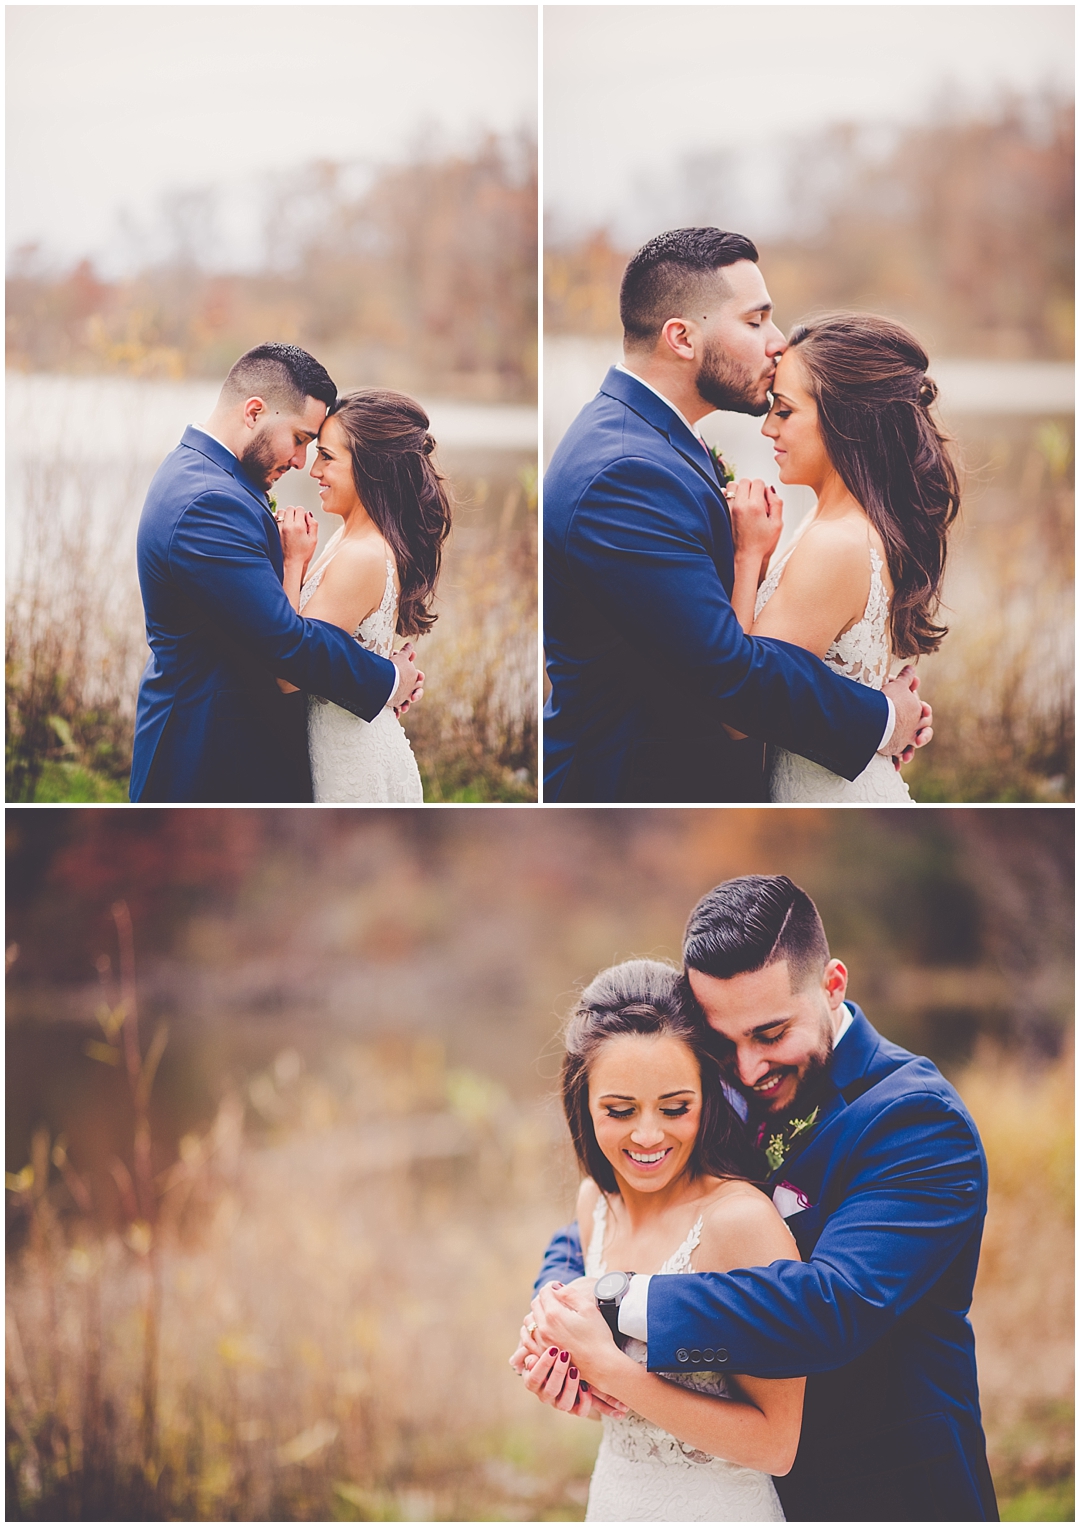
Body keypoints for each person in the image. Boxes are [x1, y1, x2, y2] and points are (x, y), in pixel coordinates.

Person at [515, 875, 998, 1523]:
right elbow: (619, 1207)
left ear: (832, 985)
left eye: (770, 1033)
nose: (746, 1069)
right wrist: (556, 1313)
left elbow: (831, 1307)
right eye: (723, 1040)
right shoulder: (721, 1089)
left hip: (886, 1487)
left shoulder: (915, 1120)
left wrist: (616, 1304)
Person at [542, 227, 932, 803]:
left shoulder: (660, 442)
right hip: (639, 790)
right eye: (755, 321)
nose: (777, 343)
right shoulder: (625, 472)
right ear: (681, 337)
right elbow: (729, 676)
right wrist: (880, 718)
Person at [523, 958, 802, 1521]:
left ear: (708, 1094)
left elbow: (777, 1445)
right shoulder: (594, 1205)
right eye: (619, 1111)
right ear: (583, 1104)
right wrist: (564, 1372)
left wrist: (611, 1370)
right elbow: (617, 1403)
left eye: (676, 1108)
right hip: (618, 1500)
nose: (648, 1135)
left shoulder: (740, 1224)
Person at [131, 343, 422, 803]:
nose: (303, 463)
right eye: (302, 439)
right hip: (205, 757)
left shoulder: (210, 477)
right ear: (253, 412)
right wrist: (386, 678)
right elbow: (285, 641)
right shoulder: (208, 502)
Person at [726, 313, 960, 801]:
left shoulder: (834, 543)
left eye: (785, 411)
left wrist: (747, 559)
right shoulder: (845, 522)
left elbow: (737, 717)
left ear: (842, 420)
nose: (768, 426)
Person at [274, 390, 452, 802]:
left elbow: (288, 674)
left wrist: (292, 563)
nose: (314, 470)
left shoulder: (361, 555)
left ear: (371, 468)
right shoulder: (348, 535)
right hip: (340, 743)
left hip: (352, 759)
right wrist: (388, 677)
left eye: (328, 457)